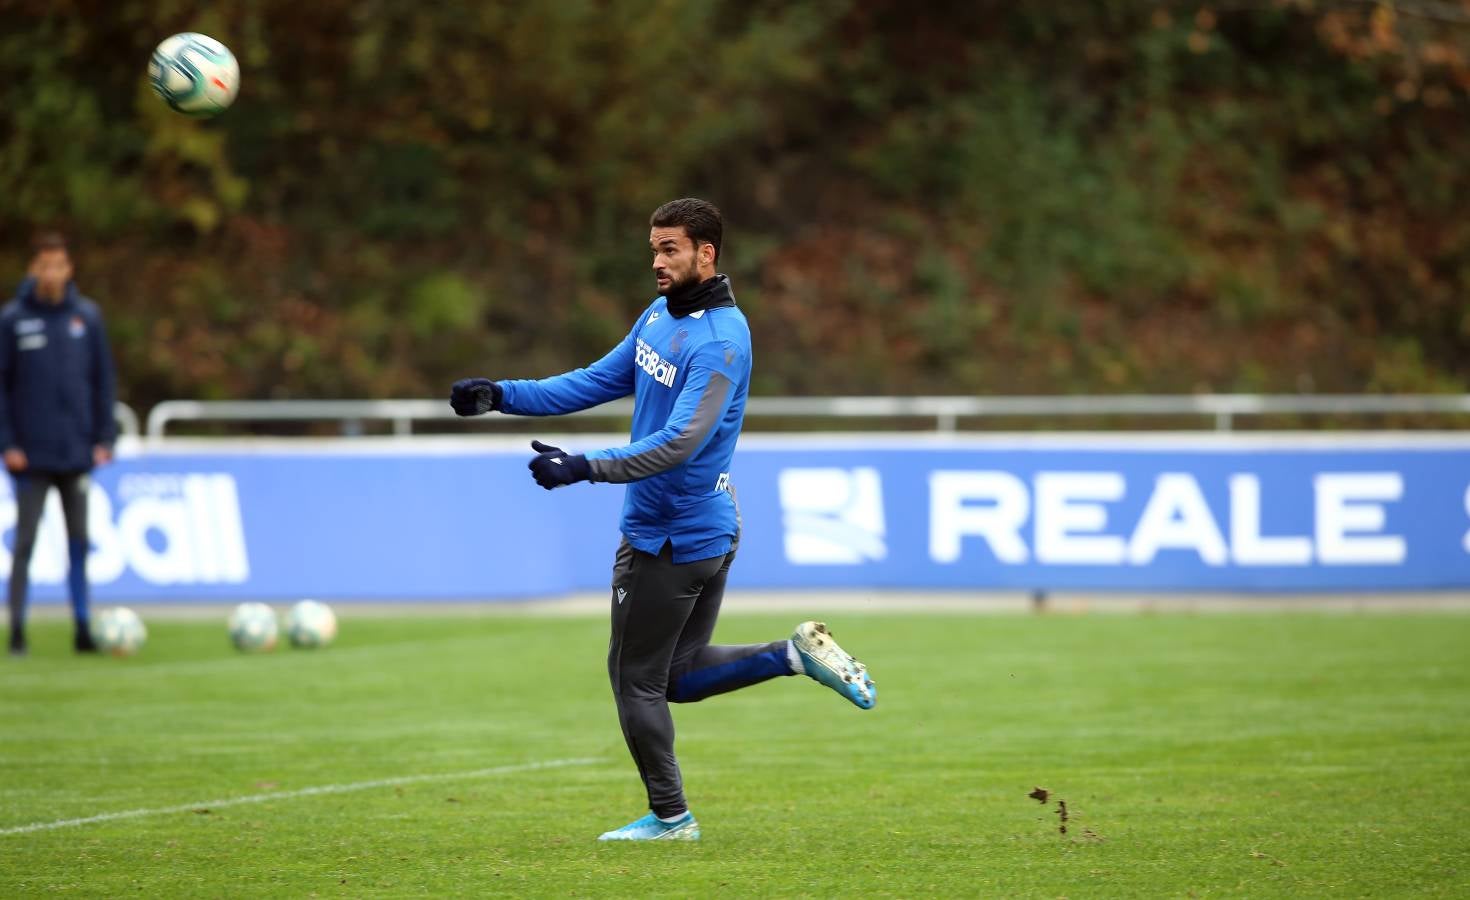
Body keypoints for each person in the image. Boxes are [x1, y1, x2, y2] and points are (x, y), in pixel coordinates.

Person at [451, 198, 875, 841]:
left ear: (707, 254)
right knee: (675, 675)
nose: (657, 260)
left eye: (670, 248)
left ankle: (672, 816)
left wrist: (584, 466)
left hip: (672, 537)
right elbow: (595, 380)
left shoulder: (721, 343)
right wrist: (503, 396)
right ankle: (791, 656)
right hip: (699, 529)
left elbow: (680, 442)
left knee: (635, 681)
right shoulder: (661, 316)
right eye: (654, 247)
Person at [0, 232, 117, 656]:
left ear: (69, 269)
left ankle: (83, 628)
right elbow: (2, 387)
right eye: (44, 265)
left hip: (76, 452)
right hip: (29, 456)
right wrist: (7, 441)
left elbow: (103, 380)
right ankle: (16, 631)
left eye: (58, 265)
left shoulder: (86, 317)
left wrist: (104, 437)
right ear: (34, 269)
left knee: (79, 543)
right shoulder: (13, 320)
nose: (52, 273)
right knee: (26, 543)